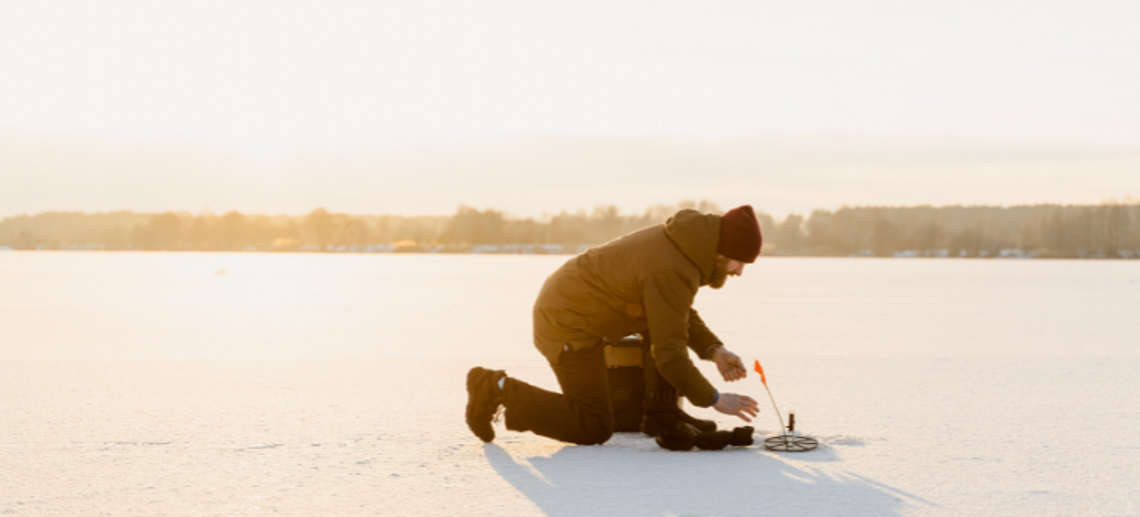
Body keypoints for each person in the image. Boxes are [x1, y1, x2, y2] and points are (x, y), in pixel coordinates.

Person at [465, 205, 763, 445]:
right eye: (740, 262)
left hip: (581, 307)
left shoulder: (685, 247)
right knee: (592, 425)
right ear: (723, 251)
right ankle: (495, 388)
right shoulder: (671, 267)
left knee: (658, 330)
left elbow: (673, 313)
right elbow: (670, 354)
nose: (739, 272)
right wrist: (713, 399)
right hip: (566, 322)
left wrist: (714, 350)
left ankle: (662, 415)